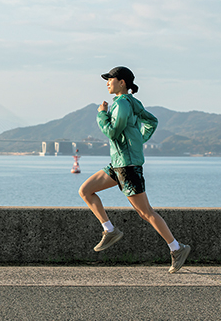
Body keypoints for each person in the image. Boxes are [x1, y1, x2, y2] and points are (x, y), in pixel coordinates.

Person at [78, 66, 191, 273]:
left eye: (110, 79)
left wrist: (101, 115)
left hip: (127, 165)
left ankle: (177, 248)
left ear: (122, 82)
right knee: (85, 191)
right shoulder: (132, 103)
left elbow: (112, 133)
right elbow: (151, 121)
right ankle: (109, 230)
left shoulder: (122, 104)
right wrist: (138, 140)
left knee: (145, 212)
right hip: (118, 163)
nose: (107, 83)